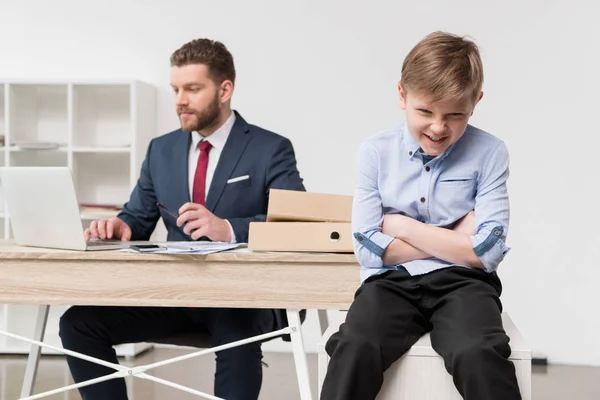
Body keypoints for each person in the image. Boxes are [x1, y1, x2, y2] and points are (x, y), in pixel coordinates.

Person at [59, 38, 305, 400]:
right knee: (77, 324)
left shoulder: (271, 148)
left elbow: (297, 224)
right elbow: (137, 219)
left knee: (239, 334)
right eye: (176, 89)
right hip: (174, 292)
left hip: (241, 296)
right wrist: (119, 226)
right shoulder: (162, 149)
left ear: (225, 90)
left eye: (192, 89)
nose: (179, 100)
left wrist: (229, 228)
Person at [320, 31, 521, 400]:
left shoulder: (490, 153)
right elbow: (367, 250)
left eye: (455, 114)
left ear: (476, 101)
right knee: (355, 346)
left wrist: (402, 227)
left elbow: (487, 253)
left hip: (465, 283)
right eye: (425, 111)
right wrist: (457, 239)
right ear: (402, 95)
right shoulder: (374, 153)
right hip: (390, 283)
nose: (438, 128)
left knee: (477, 352)